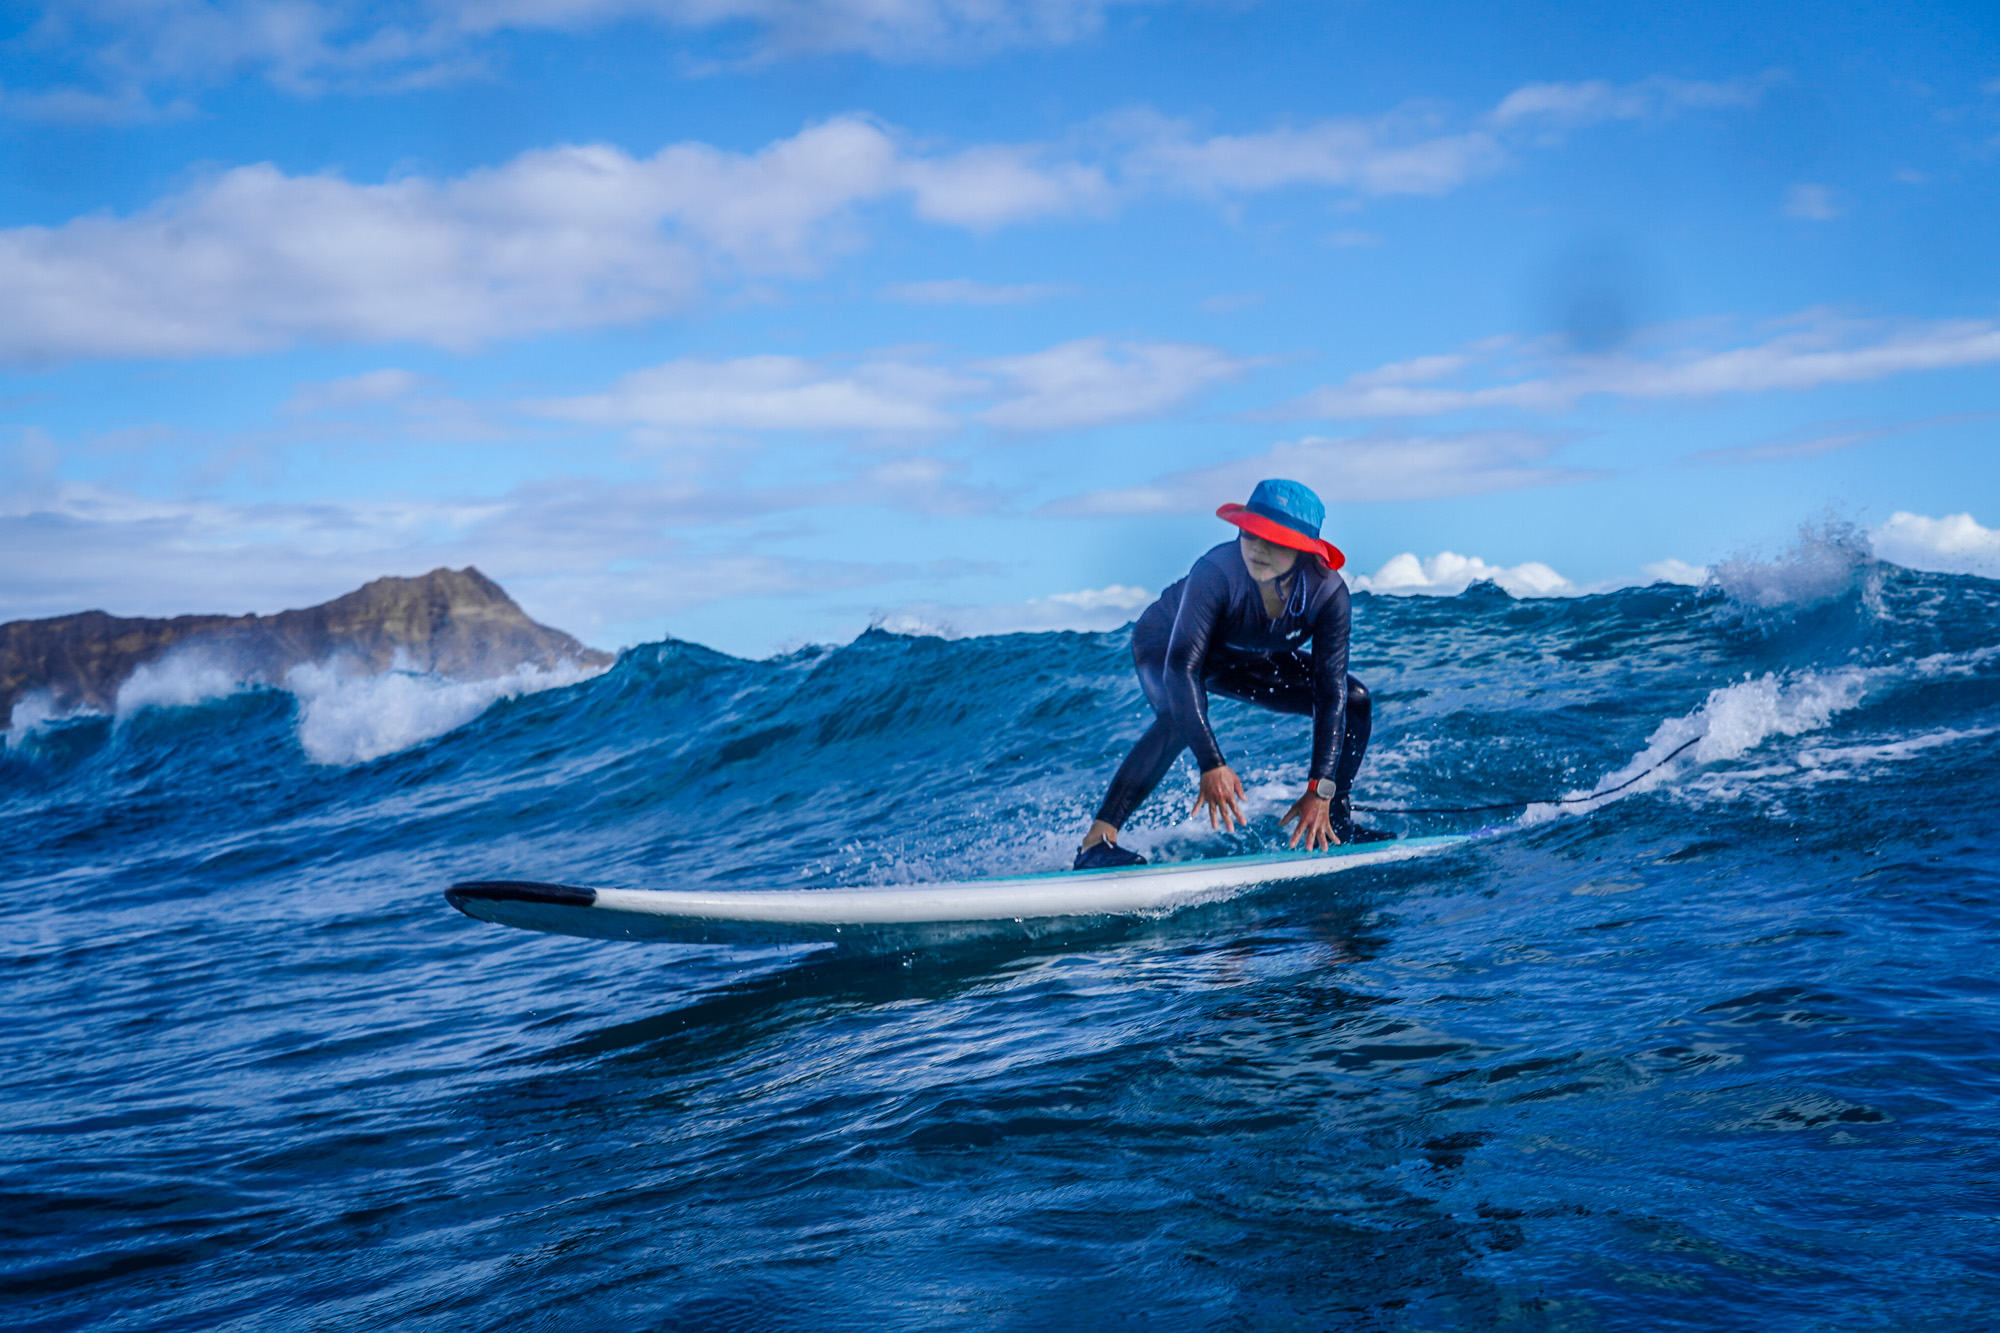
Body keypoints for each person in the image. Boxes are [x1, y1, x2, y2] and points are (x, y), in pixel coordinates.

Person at [1074, 478, 1389, 870]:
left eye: (1273, 540)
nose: (1257, 548)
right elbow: (1180, 669)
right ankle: (1096, 843)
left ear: (1302, 551)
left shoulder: (1327, 595)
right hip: (1166, 646)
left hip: (1248, 657)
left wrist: (1319, 789)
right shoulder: (1216, 571)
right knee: (1178, 717)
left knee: (1353, 699)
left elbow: (1329, 691)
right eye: (1250, 534)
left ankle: (1335, 816)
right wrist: (1211, 763)